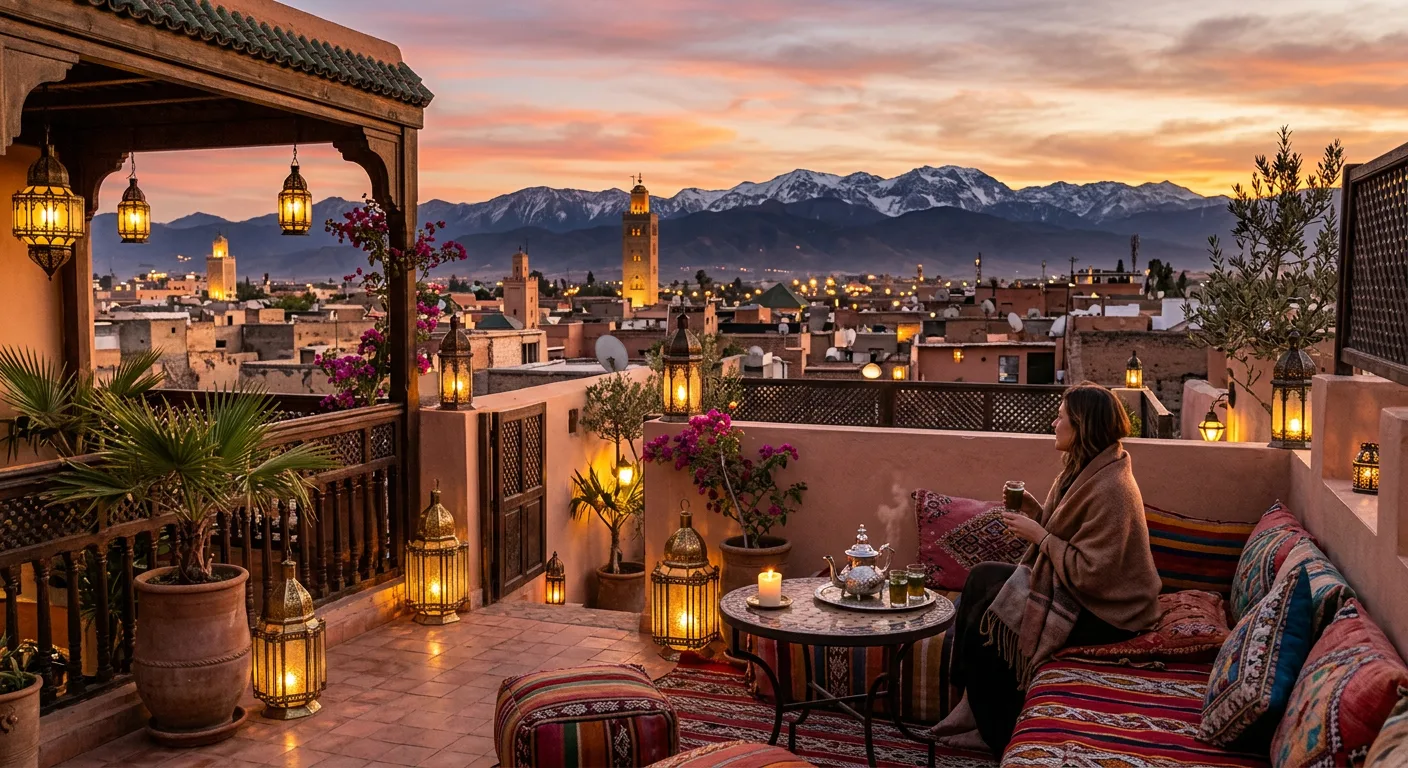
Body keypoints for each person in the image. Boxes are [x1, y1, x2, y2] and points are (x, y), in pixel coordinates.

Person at [931, 382, 1161, 755]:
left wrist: (1040, 535)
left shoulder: (1112, 488)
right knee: (980, 579)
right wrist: (1036, 511)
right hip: (1079, 590)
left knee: (999, 617)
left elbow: (1093, 573)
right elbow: (1068, 534)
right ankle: (969, 706)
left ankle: (994, 732)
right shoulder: (1081, 470)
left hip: (1111, 611)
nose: (1054, 424)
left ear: (1082, 427)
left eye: (1061, 418)